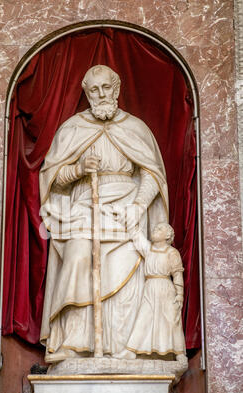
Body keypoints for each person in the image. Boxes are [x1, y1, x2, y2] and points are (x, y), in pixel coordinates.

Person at [39, 64, 169, 363]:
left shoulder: (136, 128)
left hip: (128, 206)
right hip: (85, 206)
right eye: (94, 90)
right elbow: (52, 178)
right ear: (86, 93)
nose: (100, 94)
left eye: (105, 88)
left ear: (117, 89)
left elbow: (151, 174)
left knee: (127, 276)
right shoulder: (73, 128)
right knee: (77, 258)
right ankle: (73, 342)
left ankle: (122, 347)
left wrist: (138, 205)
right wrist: (78, 170)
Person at [114, 219, 186, 361]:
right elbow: (136, 236)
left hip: (166, 288)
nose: (155, 230)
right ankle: (131, 350)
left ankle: (179, 353)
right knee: (144, 317)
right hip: (150, 287)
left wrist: (180, 295)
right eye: (155, 228)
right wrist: (130, 219)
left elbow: (177, 274)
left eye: (159, 229)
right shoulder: (149, 249)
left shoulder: (172, 252)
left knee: (172, 320)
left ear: (167, 236)